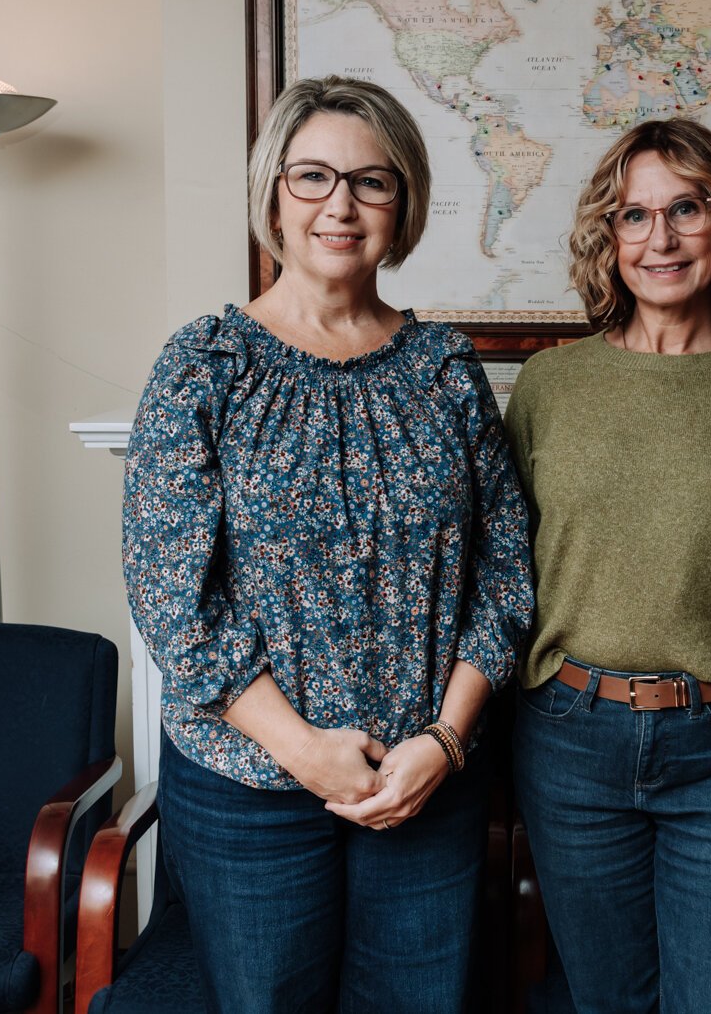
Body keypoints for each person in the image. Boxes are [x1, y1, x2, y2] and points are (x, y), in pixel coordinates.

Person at [122, 75, 533, 1014]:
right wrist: (304, 751)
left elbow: (505, 575)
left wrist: (446, 740)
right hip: (250, 787)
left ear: (405, 203)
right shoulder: (205, 365)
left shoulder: (446, 368)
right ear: (274, 195)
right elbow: (170, 595)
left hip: (425, 782)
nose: (340, 205)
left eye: (371, 182)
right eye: (312, 177)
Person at [503, 118, 711, 1014]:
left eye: (685, 209)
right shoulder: (549, 387)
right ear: (606, 238)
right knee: (606, 1002)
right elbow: (510, 567)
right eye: (633, 215)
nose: (659, 239)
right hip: (572, 738)